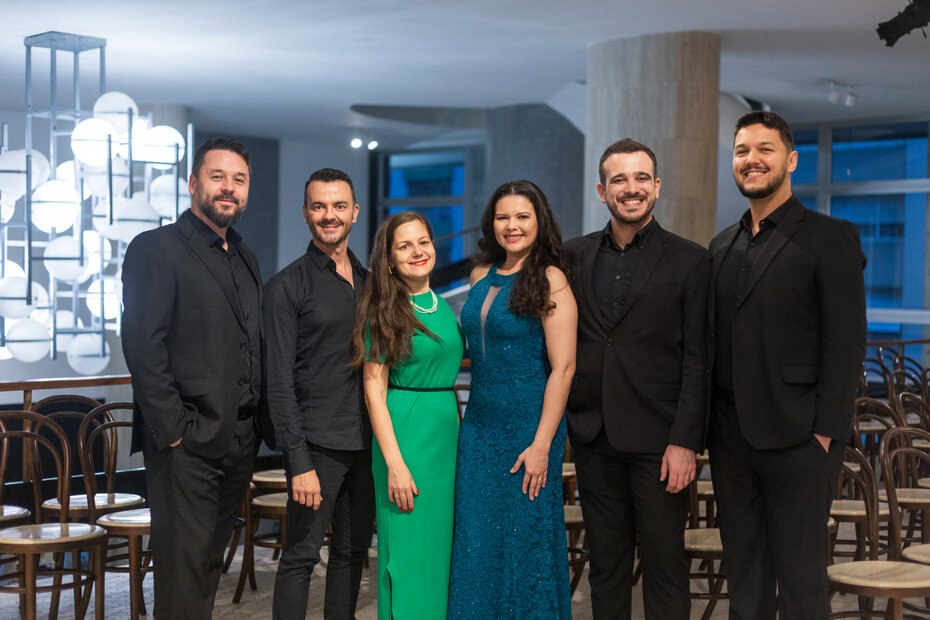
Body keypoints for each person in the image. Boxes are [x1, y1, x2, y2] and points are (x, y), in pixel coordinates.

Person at [709, 110, 866, 618]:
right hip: (732, 441)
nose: (751, 160)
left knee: (801, 584)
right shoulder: (720, 247)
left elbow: (846, 345)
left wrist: (825, 434)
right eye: (741, 151)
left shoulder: (829, 236)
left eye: (764, 149)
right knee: (745, 581)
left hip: (800, 440)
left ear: (791, 160)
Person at [121, 136, 274, 619]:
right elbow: (143, 346)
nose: (228, 188)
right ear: (192, 184)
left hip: (240, 438)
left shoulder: (246, 257)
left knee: (209, 565)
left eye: (239, 180)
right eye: (217, 177)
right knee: (183, 570)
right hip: (187, 443)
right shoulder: (155, 249)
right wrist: (174, 432)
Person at [564, 138, 710, 619]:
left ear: (657, 186)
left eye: (641, 178)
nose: (632, 188)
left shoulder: (691, 259)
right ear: (602, 190)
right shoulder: (572, 257)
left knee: (665, 566)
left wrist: (686, 441)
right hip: (594, 435)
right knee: (606, 565)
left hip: (660, 442)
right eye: (620, 180)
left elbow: (698, 358)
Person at [448, 180, 576, 619]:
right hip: (478, 429)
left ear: (539, 222)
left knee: (526, 546)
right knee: (476, 541)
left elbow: (563, 369)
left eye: (522, 216)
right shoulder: (480, 276)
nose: (512, 225)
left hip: (529, 430)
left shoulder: (551, 279)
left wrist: (542, 446)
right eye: (503, 217)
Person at [264, 168, 375, 620]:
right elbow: (278, 381)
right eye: (319, 206)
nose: (330, 215)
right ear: (306, 213)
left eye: (338, 206)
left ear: (354, 213)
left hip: (367, 443)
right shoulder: (286, 286)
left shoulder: (371, 283)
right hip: (317, 447)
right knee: (300, 557)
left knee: (352, 555)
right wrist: (298, 461)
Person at [352, 211, 464, 619]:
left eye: (424, 242)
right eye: (405, 246)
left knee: (439, 551)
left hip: (444, 438)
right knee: (408, 551)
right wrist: (396, 465)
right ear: (389, 259)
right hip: (405, 438)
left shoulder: (443, 304)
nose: (418, 252)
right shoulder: (385, 307)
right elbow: (373, 390)